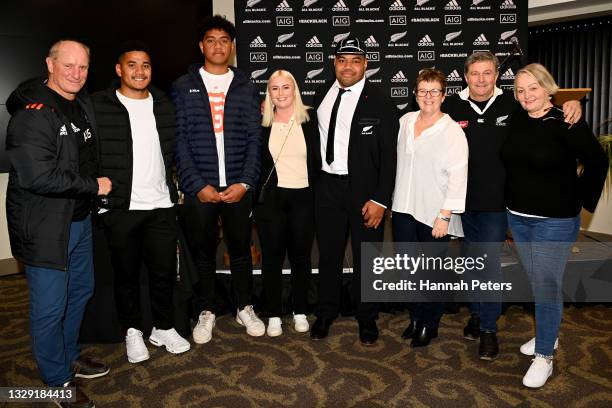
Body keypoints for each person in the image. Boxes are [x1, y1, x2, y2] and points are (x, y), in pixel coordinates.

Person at [442, 51, 583, 360]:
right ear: (465, 76)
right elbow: (424, 120)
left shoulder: (513, 104)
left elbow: (546, 110)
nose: (481, 79)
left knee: (489, 265)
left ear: (496, 75)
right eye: (475, 73)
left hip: (497, 203)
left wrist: (572, 104)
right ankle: (478, 314)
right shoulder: (450, 105)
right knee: (471, 263)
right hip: (462, 202)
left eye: (487, 73)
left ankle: (489, 330)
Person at [5, 39, 111, 408]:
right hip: (45, 227)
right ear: (49, 65)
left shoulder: (80, 105)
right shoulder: (32, 114)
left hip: (78, 221)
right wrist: (94, 186)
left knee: (79, 293)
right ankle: (56, 381)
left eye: (82, 67)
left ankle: (67, 357)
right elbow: (39, 177)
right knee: (50, 307)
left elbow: (84, 158)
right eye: (68, 66)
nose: (76, 74)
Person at [501, 63, 607, 388]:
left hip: (556, 221)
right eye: (520, 90)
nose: (526, 95)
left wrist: (578, 200)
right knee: (537, 281)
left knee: (547, 285)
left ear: (548, 89)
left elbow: (597, 160)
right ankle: (549, 334)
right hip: (518, 218)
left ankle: (544, 355)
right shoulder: (518, 117)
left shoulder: (567, 121)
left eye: (533, 88)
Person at [92, 41, 191, 363]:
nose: (139, 71)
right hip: (122, 209)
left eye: (145, 65)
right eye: (132, 65)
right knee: (126, 275)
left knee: (163, 274)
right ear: (119, 70)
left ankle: (163, 327)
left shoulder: (164, 104)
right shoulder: (98, 104)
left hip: (161, 206)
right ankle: (132, 330)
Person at [172, 15, 263, 343]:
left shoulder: (246, 85)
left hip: (239, 187)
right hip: (202, 190)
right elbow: (179, 140)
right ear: (201, 46)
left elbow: (255, 139)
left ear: (233, 46)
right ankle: (206, 310)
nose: (218, 46)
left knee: (240, 249)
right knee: (203, 252)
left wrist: (245, 183)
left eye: (224, 40)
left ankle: (244, 306)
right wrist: (197, 185)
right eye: (211, 40)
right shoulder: (184, 86)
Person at [309, 37, 398, 346]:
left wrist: (380, 199)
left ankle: (367, 317)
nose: (348, 66)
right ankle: (325, 312)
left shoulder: (382, 101)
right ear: (334, 62)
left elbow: (390, 157)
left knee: (367, 257)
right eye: (343, 60)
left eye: (355, 60)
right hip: (327, 187)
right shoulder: (321, 94)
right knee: (329, 254)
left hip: (365, 192)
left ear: (365, 65)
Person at [392, 68, 468, 347]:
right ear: (415, 94)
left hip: (433, 213)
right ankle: (415, 316)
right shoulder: (405, 121)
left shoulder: (452, 131)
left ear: (444, 95)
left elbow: (459, 178)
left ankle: (429, 323)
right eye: (422, 91)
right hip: (402, 208)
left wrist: (444, 216)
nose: (428, 96)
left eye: (434, 91)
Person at [254, 70, 317, 336]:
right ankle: (273, 314)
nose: (281, 93)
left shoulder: (310, 118)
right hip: (272, 200)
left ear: (295, 90)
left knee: (301, 258)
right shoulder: (262, 123)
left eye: (286, 87)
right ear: (269, 94)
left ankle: (300, 310)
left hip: (304, 197)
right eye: (274, 89)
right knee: (271, 259)